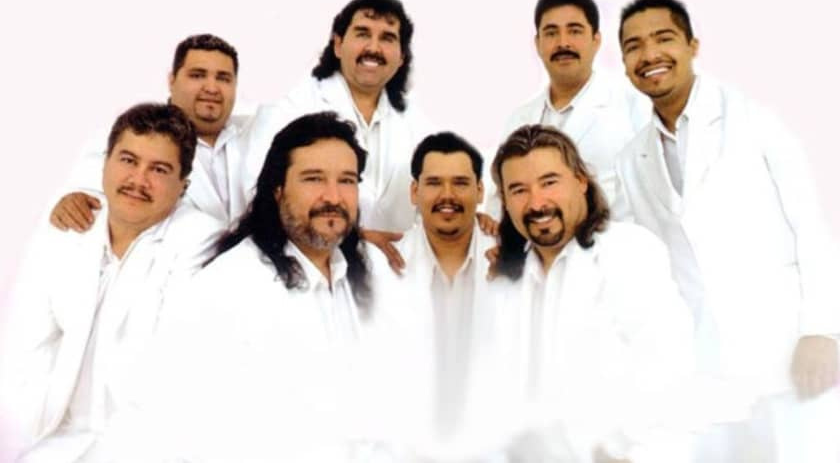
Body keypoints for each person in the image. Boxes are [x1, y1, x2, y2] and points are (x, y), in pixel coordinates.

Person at [615, 0, 840, 462]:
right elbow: (640, 260)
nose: (649, 54)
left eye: (663, 38)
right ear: (624, 63)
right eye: (634, 46)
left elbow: (811, 224)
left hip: (788, 355)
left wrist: (822, 330)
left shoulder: (756, 117)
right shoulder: (632, 158)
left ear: (692, 45)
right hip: (705, 373)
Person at [145, 111, 417, 461]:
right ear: (278, 190)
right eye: (314, 179)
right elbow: (183, 428)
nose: (333, 197)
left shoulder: (375, 268)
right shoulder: (226, 287)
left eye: (347, 180)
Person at [0, 103, 224, 462]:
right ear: (105, 163)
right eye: (128, 160)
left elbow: (173, 373)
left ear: (183, 184)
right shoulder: (70, 225)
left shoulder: (203, 242)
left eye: (159, 169)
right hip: (55, 438)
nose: (138, 180)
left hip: (149, 446)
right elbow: (27, 344)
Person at [491, 124, 694, 462]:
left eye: (549, 182)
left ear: (581, 181)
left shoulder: (629, 252)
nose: (537, 203)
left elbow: (668, 373)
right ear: (506, 203)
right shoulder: (503, 282)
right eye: (519, 190)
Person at [239, 0, 434, 270]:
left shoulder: (418, 122)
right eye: (363, 33)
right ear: (338, 44)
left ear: (401, 56)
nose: (374, 48)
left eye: (387, 38)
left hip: (396, 272)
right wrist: (354, 237)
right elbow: (258, 193)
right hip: (304, 265)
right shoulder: (289, 109)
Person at [394, 132, 514, 458]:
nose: (447, 195)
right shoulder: (383, 266)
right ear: (415, 191)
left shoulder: (516, 260)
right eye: (434, 183)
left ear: (480, 191)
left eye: (460, 183)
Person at [485, 0, 649, 224]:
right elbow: (500, 199)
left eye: (575, 31)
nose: (563, 43)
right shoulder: (520, 118)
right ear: (538, 43)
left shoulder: (634, 105)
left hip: (612, 242)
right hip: (535, 244)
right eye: (551, 33)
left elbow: (652, 195)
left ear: (596, 40)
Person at [50, 33, 248, 227]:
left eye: (223, 78)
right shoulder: (126, 139)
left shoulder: (254, 131)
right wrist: (72, 200)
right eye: (197, 75)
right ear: (172, 80)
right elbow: (79, 199)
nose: (212, 88)